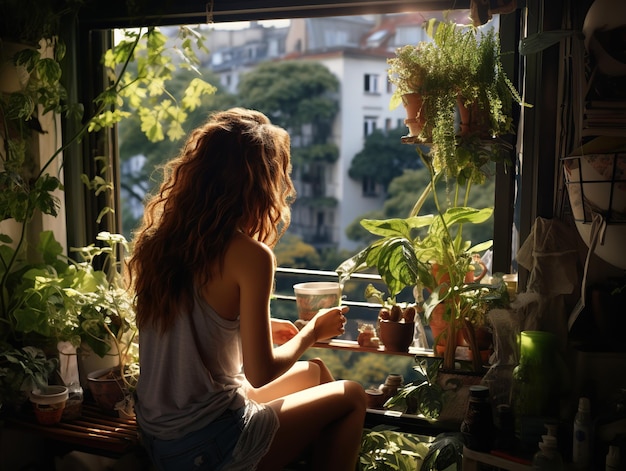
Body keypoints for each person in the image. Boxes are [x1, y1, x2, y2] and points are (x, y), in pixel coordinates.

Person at [127, 108, 367, 471]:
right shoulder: (250, 256)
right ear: (260, 184)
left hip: (161, 436)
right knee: (352, 395)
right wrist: (311, 331)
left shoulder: (159, 241)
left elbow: (191, 325)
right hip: (205, 444)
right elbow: (261, 373)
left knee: (315, 372)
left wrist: (262, 331)